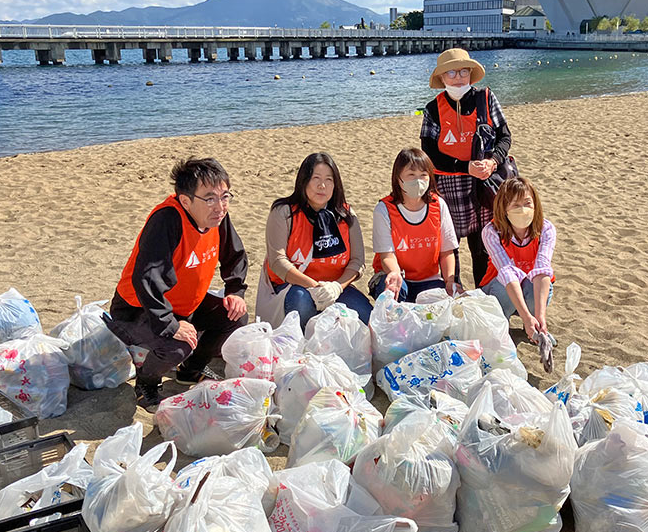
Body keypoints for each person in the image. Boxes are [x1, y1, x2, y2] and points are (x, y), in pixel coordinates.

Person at [105, 158, 249, 411]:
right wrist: (170, 324)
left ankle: (190, 371)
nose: (220, 206)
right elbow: (146, 279)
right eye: (210, 198)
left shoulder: (217, 217)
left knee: (235, 317)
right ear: (185, 200)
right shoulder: (167, 220)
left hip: (185, 305)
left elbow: (234, 255)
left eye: (225, 196)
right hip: (136, 309)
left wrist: (235, 291)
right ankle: (146, 383)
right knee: (178, 345)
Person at [420, 48, 512, 287]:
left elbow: (505, 136)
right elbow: (429, 153)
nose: (458, 77)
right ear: (442, 78)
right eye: (451, 72)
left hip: (485, 181)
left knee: (483, 243)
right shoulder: (432, 109)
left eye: (463, 71)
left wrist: (493, 161)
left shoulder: (486, 98)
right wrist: (464, 166)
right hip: (449, 184)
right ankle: (455, 288)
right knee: (450, 244)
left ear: (471, 74)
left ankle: (483, 291)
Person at [258, 152, 371, 330]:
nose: (322, 185)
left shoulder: (347, 215)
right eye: (315, 178)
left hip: (336, 286)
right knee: (301, 303)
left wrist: (336, 288)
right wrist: (315, 287)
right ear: (303, 181)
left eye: (329, 179)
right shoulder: (284, 213)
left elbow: (358, 262)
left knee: (367, 317)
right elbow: (277, 262)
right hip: (295, 287)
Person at [479, 176, 557, 369]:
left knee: (536, 285)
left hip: (530, 287)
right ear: (503, 209)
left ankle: (534, 327)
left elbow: (542, 270)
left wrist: (539, 317)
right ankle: (504, 327)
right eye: (515, 205)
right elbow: (507, 273)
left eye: (527, 203)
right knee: (504, 289)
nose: (522, 209)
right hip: (500, 287)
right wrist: (524, 314)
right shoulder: (491, 231)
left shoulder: (546, 229)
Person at [370, 148, 459, 302]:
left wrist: (449, 282)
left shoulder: (438, 205)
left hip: (428, 279)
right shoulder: (384, 209)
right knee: (398, 291)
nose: (418, 181)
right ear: (398, 178)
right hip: (394, 276)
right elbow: (387, 256)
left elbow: (447, 252)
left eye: (423, 175)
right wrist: (396, 274)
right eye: (411, 175)